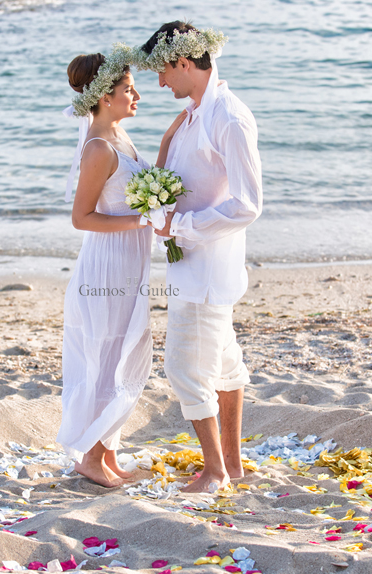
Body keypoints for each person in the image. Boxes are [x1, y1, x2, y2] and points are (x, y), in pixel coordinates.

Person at [139, 22, 263, 493]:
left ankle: (213, 473)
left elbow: (248, 204)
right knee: (225, 362)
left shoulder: (227, 117)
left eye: (162, 72)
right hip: (190, 264)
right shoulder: (195, 115)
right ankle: (230, 465)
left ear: (184, 64)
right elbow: (174, 185)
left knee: (184, 368)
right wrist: (168, 142)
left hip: (207, 267)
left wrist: (181, 229)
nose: (159, 83)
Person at [56, 46, 183, 487]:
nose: (138, 96)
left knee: (125, 350)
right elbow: (81, 218)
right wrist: (141, 218)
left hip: (129, 261)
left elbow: (142, 184)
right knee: (108, 355)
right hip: (107, 266)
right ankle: (91, 458)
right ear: (105, 96)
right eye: (129, 89)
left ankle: (106, 455)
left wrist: (167, 143)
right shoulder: (97, 148)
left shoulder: (119, 138)